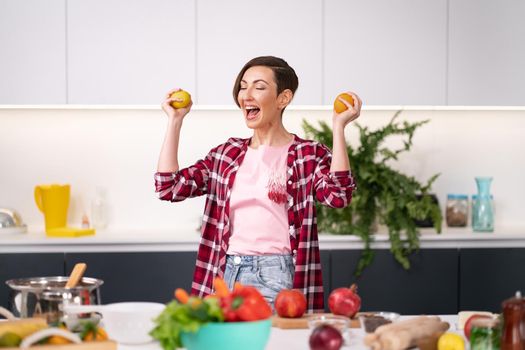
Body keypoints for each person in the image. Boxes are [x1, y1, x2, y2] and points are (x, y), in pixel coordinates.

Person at [155, 56, 361, 312]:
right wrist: (175, 121)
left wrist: (338, 127)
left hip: (275, 274)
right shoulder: (226, 154)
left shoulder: (306, 154)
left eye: (259, 87)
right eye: (243, 86)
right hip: (223, 272)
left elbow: (338, 195)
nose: (246, 95)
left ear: (283, 98)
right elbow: (169, 187)